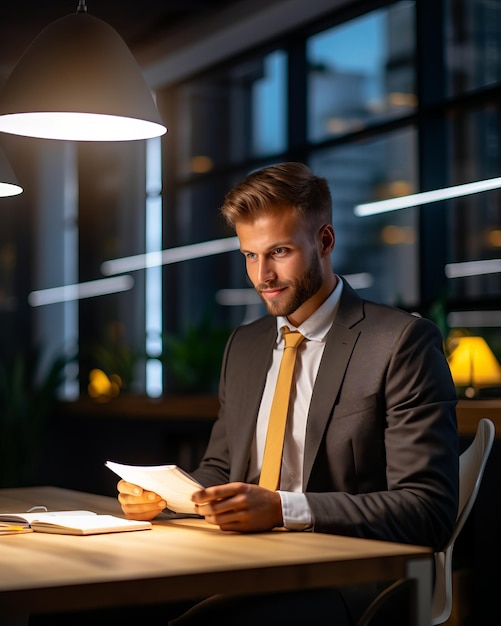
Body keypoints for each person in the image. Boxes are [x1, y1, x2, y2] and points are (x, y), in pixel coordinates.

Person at [117, 162, 459, 625]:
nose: (263, 276)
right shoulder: (246, 344)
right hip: (243, 558)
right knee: (91, 608)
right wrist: (166, 496)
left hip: (350, 574)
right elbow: (221, 466)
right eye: (250, 256)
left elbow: (427, 509)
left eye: (279, 251)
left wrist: (281, 509)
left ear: (324, 241)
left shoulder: (400, 343)